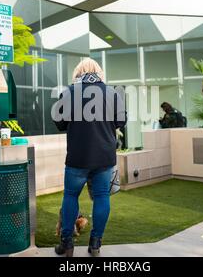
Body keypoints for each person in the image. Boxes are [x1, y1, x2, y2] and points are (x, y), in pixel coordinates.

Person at [52, 58, 127, 257]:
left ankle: (67, 244)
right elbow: (121, 121)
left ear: (78, 72)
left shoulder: (69, 92)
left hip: (77, 155)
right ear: (99, 72)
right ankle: (95, 244)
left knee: (70, 195)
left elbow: (59, 123)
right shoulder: (112, 93)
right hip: (104, 156)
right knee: (102, 197)